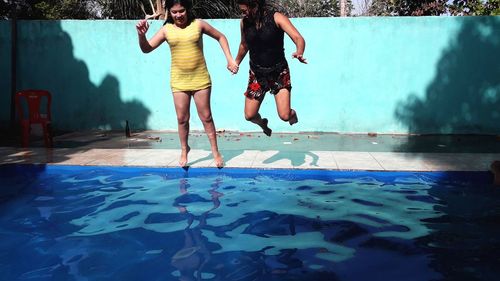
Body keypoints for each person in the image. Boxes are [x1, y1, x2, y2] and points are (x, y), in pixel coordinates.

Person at [136, 0, 238, 168]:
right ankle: (184, 149)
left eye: (181, 11)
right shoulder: (166, 30)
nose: (178, 15)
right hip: (179, 81)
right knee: (182, 119)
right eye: (174, 12)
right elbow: (146, 48)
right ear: (170, 12)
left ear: (187, 9)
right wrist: (141, 35)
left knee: (206, 117)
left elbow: (221, 37)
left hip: (200, 79)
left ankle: (215, 151)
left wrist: (229, 59)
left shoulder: (198, 25)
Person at [233, 0, 306, 136]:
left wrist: (299, 51)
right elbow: (244, 44)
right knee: (249, 115)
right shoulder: (244, 23)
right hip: (257, 74)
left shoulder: (277, 17)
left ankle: (292, 114)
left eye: (246, 10)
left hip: (278, 72)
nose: (244, 14)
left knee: (284, 115)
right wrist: (236, 61)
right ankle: (263, 124)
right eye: (242, 12)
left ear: (255, 4)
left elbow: (298, 38)